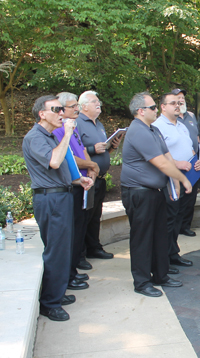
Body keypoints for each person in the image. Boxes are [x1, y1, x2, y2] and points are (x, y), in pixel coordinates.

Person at [23, 95, 93, 321]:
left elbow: (58, 168)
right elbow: (53, 161)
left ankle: (57, 293)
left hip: (60, 196)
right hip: (50, 200)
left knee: (63, 249)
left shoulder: (50, 137)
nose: (62, 113)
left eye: (62, 109)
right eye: (56, 109)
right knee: (56, 250)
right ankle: (50, 303)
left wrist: (77, 181)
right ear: (41, 114)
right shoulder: (35, 137)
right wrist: (69, 133)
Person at [121, 92, 192, 297]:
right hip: (139, 193)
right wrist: (184, 178)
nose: (155, 110)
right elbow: (159, 163)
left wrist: (174, 181)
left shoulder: (153, 130)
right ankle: (142, 282)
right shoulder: (138, 131)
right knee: (142, 239)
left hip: (156, 192)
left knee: (160, 235)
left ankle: (161, 275)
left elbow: (167, 156)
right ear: (140, 111)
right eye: (153, 107)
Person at [53, 92, 100, 290]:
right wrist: (91, 164)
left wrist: (91, 167)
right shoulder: (58, 131)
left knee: (81, 228)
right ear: (62, 109)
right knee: (72, 232)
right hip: (72, 187)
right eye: (73, 106)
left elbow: (82, 150)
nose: (77, 110)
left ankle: (73, 271)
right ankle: (69, 275)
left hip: (84, 184)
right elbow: (68, 157)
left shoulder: (74, 126)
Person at [152, 90, 200, 269]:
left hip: (189, 176)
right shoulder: (157, 126)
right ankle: (163, 259)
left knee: (178, 218)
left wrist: (196, 160)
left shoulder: (181, 125)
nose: (177, 106)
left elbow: (190, 148)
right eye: (173, 103)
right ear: (163, 107)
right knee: (168, 220)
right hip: (170, 180)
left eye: (178, 103)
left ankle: (173, 253)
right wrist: (178, 163)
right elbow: (158, 155)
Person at [76, 91, 121, 261]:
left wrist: (112, 147)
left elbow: (103, 150)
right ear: (84, 106)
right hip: (87, 178)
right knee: (84, 217)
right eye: (95, 101)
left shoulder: (99, 124)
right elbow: (74, 151)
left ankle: (94, 247)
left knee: (95, 217)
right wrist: (92, 149)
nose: (99, 104)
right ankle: (80, 253)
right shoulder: (78, 123)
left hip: (101, 178)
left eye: (99, 101)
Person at [175, 88, 200, 237]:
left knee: (191, 198)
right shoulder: (171, 119)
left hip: (193, 162)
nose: (182, 99)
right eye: (178, 97)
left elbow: (196, 139)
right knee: (179, 197)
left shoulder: (191, 116)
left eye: (183, 97)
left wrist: (198, 159)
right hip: (177, 165)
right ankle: (176, 227)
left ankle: (185, 226)